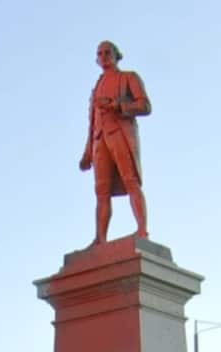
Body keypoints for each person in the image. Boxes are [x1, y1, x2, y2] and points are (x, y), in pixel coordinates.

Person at [79, 40, 151, 245]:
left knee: (131, 181)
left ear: (116, 54)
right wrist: (87, 152)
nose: (103, 56)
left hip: (120, 134)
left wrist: (116, 105)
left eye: (107, 52)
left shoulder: (128, 77)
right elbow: (92, 123)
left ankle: (142, 230)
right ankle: (100, 238)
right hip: (99, 140)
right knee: (101, 191)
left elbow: (144, 105)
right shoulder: (96, 88)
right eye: (99, 53)